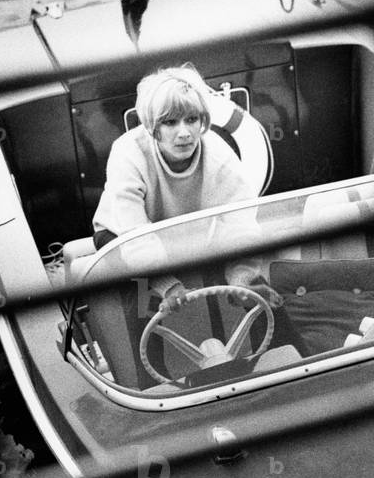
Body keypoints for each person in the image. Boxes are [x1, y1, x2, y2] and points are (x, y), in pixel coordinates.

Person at [92, 64, 282, 311]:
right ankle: (146, 344)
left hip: (185, 234)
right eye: (170, 122)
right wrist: (167, 286)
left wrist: (242, 279)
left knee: (254, 290)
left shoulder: (220, 156)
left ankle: (287, 346)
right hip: (120, 235)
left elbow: (240, 225)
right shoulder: (128, 153)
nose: (184, 133)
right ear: (152, 127)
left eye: (191, 119)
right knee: (140, 298)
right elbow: (134, 235)